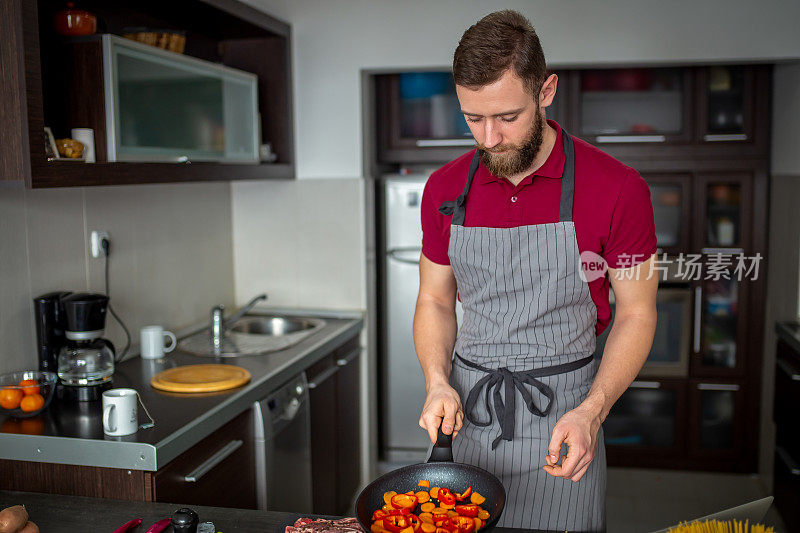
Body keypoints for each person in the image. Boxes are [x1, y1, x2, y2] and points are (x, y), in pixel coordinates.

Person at [413, 10, 658, 531]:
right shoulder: (444, 189)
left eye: (506, 116)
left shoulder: (618, 188)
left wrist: (592, 412)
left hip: (568, 423)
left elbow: (637, 313)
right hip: (470, 421)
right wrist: (437, 381)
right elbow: (434, 299)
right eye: (472, 118)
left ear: (546, 91)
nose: (488, 138)